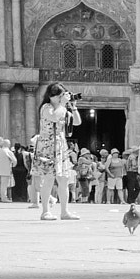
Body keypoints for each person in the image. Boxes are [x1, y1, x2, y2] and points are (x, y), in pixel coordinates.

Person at [35, 85, 82, 220]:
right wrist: (62, 104)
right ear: (52, 95)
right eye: (60, 95)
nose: (63, 98)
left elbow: (77, 122)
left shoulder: (62, 109)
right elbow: (55, 117)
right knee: (49, 179)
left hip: (61, 146)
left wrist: (73, 106)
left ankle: (64, 211)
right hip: (48, 146)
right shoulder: (46, 108)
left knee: (64, 179)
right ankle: (45, 211)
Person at [0, 136, 16, 202]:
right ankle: (4, 198)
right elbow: (14, 161)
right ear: (8, 144)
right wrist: (12, 166)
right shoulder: (8, 152)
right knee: (4, 185)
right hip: (6, 170)